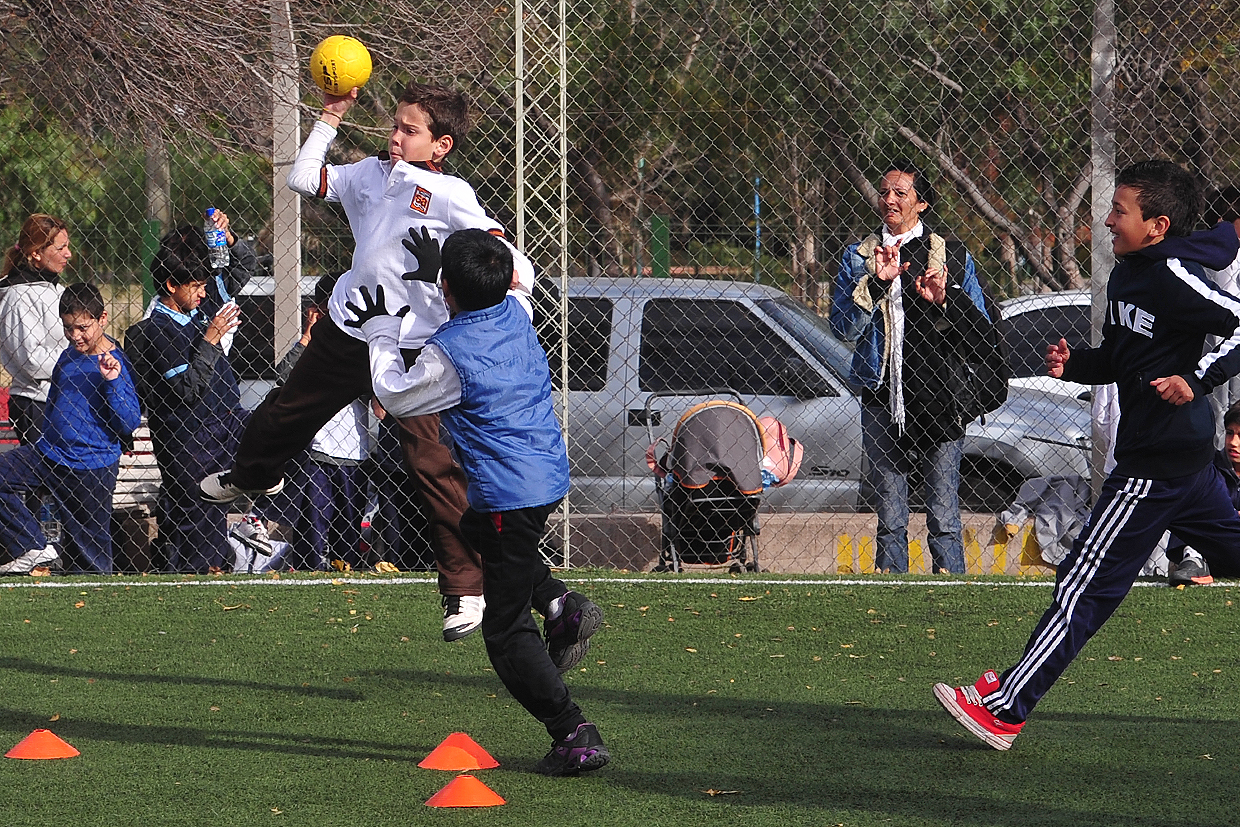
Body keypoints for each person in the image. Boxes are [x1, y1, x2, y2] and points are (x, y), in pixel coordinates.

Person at [198, 81, 535, 642]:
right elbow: (303, 179)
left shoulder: (450, 193)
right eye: (395, 125)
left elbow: (499, 252)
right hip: (352, 324)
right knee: (287, 412)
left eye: (411, 130)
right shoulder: (369, 174)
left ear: (441, 145)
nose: (396, 137)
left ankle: (465, 590)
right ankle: (253, 475)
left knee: (430, 462)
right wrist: (329, 118)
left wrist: (507, 282)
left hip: (414, 344)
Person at [934, 159, 1240, 750]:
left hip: (1154, 468)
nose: (1105, 220)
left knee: (1082, 586)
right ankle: (1007, 699)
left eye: (1119, 210)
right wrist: (1079, 364)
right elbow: (1126, 359)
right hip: (1180, 465)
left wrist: (1197, 379)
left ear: (1157, 225)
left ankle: (1005, 708)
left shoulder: (1173, 273)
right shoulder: (1128, 275)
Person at [346, 228, 607, 775]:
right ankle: (561, 605)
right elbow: (515, 277)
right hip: (541, 474)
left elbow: (395, 393)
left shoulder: (449, 356)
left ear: (446, 288)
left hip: (508, 493)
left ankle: (572, 731)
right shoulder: (516, 310)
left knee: (505, 629)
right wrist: (430, 273)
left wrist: (380, 332)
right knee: (473, 530)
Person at [829, 162, 996, 574]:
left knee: (943, 512)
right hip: (882, 392)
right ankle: (892, 589)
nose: (889, 200)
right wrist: (878, 283)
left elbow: (980, 328)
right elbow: (843, 327)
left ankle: (952, 590)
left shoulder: (950, 256)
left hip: (940, 394)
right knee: (890, 512)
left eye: (901, 193)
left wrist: (945, 300)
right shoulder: (859, 257)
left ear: (921, 204)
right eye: (885, 192)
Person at [123, 226, 267, 573]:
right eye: (196, 286)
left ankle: (249, 526)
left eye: (205, 285)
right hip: (191, 438)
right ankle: (199, 571)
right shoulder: (156, 329)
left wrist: (228, 237)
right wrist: (211, 339)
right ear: (172, 285)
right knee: (200, 525)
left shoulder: (198, 311)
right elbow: (187, 390)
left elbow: (241, 267)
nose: (204, 293)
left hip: (226, 420)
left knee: (281, 438)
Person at [0, 283, 141, 575]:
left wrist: (112, 382)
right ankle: (32, 547)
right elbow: (55, 399)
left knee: (87, 555)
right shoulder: (69, 355)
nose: (75, 336)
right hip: (49, 455)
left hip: (90, 468)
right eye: (68, 328)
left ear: (102, 319)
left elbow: (129, 421)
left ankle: (95, 600)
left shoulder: (116, 364)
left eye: (82, 327)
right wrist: (47, 438)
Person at [261, 274, 371, 571]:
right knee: (314, 533)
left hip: (354, 453)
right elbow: (284, 376)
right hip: (317, 454)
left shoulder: (360, 342)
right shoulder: (313, 347)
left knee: (347, 536)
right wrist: (308, 335)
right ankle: (312, 573)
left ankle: (344, 568)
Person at [0, 214, 72, 445]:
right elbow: (31, 360)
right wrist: (78, 361)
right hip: (36, 403)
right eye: (60, 248)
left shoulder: (56, 289)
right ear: (35, 253)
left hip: (62, 397)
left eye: (67, 246)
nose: (68, 254)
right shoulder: (18, 296)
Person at [1165, 399, 1240, 585]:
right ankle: (1193, 558)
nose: (1233, 442)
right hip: (1206, 547)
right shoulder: (1208, 467)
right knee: (1191, 502)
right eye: (1230, 433)